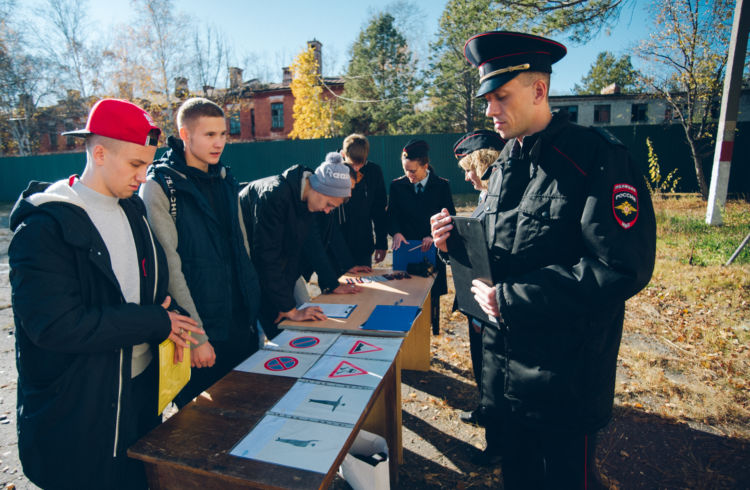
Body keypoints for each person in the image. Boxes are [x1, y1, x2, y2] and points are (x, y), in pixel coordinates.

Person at [431, 31, 656, 487]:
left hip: (565, 385)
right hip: (508, 382)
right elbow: (503, 251)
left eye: (500, 96)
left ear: (539, 90)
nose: (490, 109)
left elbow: (619, 267)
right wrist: (452, 244)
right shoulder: (505, 161)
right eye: (487, 98)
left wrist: (513, 299)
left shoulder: (595, 158)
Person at [8, 98, 203, 489]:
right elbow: (56, 327)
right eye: (135, 165)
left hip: (138, 398)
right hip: (78, 412)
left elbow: (156, 291)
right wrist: (154, 322)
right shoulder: (45, 226)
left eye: (147, 165)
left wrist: (177, 321)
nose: (143, 176)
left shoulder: (132, 210)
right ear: (99, 152)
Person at [140, 97, 261, 408]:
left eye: (223, 134)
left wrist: (253, 316)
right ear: (185, 134)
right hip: (200, 335)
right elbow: (168, 266)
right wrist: (196, 337)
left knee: (249, 416)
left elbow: (242, 249)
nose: (219, 143)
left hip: (240, 328)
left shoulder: (225, 179)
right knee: (203, 430)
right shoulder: (160, 186)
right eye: (209, 135)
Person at [240, 152, 353, 339]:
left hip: (266, 270)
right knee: (260, 338)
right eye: (328, 204)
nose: (327, 211)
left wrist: (287, 304)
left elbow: (293, 255)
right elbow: (267, 257)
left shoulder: (306, 200)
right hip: (243, 269)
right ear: (320, 188)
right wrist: (289, 309)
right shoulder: (275, 195)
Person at [450, 129, 504, 427]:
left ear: (484, 163)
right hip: (477, 304)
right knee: (481, 365)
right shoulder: (485, 197)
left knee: (492, 370)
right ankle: (485, 409)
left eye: (470, 169)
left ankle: (496, 429)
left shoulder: (499, 200)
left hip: (491, 304)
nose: (467, 177)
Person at [388, 139, 455, 334]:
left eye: (413, 171)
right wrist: (396, 232)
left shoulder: (442, 186)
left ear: (425, 166)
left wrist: (433, 236)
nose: (409, 175)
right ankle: (410, 329)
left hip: (432, 249)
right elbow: (392, 215)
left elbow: (449, 216)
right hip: (407, 249)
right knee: (406, 291)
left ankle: (432, 328)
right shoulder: (397, 186)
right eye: (406, 170)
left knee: (432, 293)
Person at [339, 133, 388, 267]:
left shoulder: (373, 172)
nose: (355, 169)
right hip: (337, 245)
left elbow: (379, 210)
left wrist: (381, 243)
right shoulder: (332, 171)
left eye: (360, 164)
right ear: (343, 155)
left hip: (362, 245)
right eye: (352, 164)